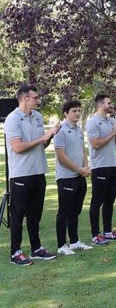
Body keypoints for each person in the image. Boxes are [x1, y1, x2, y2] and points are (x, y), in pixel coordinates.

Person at [6, 85, 59, 265]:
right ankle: (15, 252)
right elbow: (18, 147)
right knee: (18, 215)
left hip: (38, 171)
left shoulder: (38, 117)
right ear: (24, 98)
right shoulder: (13, 119)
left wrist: (50, 136)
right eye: (35, 97)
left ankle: (36, 249)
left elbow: (41, 145)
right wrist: (43, 138)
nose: (38, 100)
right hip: (21, 173)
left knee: (35, 214)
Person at [86, 94, 116, 245]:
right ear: (101, 104)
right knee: (98, 201)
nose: (111, 105)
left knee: (110, 200)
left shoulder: (112, 121)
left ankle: (108, 231)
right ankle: (95, 235)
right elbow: (96, 144)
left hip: (113, 166)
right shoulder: (92, 123)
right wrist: (113, 132)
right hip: (100, 167)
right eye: (109, 103)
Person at [54, 100, 92, 255]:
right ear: (66, 113)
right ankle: (62, 245)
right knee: (64, 212)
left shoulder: (78, 129)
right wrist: (79, 169)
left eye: (78, 110)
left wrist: (86, 166)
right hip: (66, 177)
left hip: (79, 176)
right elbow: (61, 157)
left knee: (75, 211)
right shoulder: (61, 130)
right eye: (74, 111)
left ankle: (75, 241)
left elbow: (82, 150)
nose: (77, 113)